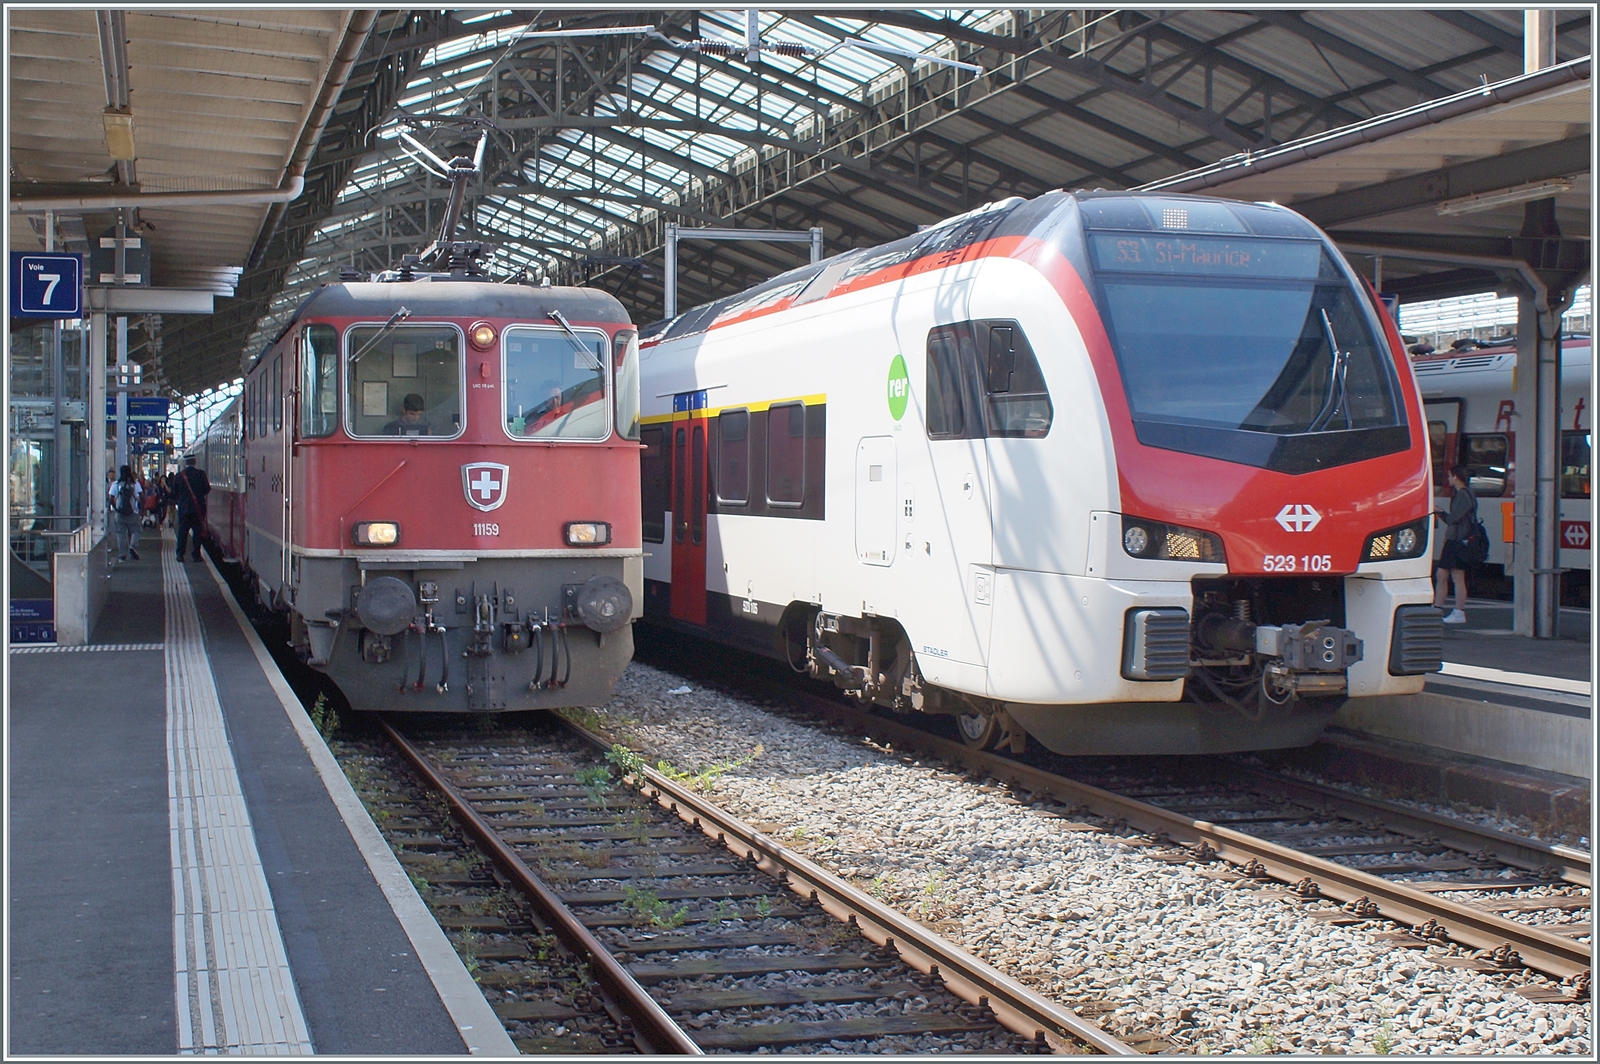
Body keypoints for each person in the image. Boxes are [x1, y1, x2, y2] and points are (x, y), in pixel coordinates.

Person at [1433, 465, 1476, 624]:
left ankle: (1458, 611)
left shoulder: (1463, 495)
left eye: (1450, 476)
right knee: (1444, 574)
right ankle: (1439, 608)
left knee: (1455, 575)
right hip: (1457, 540)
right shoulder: (1466, 494)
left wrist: (1439, 511)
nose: (1448, 479)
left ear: (1456, 476)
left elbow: (1453, 519)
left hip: (1457, 540)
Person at [173, 455, 211, 562]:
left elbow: (174, 492)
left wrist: (182, 499)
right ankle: (196, 555)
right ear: (194, 462)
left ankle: (180, 554)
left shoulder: (179, 476)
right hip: (198, 509)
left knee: (182, 533)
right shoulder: (201, 474)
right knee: (197, 533)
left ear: (185, 463)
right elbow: (207, 489)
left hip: (184, 510)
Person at [110, 465, 143, 562]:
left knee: (121, 534)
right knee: (136, 530)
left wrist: (116, 509)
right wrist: (141, 509)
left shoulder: (116, 484)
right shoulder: (135, 484)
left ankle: (122, 556)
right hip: (133, 512)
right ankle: (132, 546)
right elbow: (142, 496)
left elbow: (111, 498)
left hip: (120, 513)